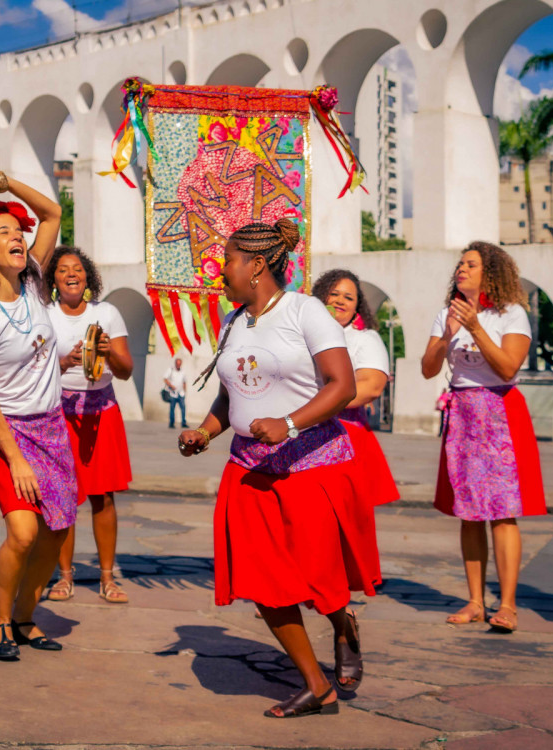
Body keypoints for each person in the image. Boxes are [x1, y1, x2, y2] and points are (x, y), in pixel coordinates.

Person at [178, 219, 380, 718]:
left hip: (309, 465)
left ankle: (342, 623)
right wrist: (205, 431)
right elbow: (233, 394)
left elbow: (342, 385)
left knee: (316, 577)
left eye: (228, 260)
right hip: (248, 471)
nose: (220, 269)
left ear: (257, 265)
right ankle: (317, 685)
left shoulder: (305, 311)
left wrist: (288, 423)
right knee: (264, 582)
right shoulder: (233, 321)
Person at [0, 171, 75, 661]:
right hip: (11, 434)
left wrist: (6, 184)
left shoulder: (33, 285)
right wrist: (17, 460)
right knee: (24, 532)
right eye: (4, 232)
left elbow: (53, 213)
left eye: (18, 232)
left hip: (53, 425)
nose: (18, 237)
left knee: (56, 531)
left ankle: (27, 617)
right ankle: (0, 621)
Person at [421, 241, 547, 633]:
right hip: (462, 415)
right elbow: (428, 369)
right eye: (460, 263)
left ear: (489, 272)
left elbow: (508, 367)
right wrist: (447, 334)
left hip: (499, 413)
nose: (461, 269)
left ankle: (507, 605)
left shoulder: (511, 314)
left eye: (471, 264)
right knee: (468, 513)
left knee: (503, 512)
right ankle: (475, 601)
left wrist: (475, 327)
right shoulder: (447, 313)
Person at [44, 246, 134, 604]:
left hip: (102, 411)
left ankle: (107, 578)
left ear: (87, 276)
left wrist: (108, 350)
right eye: (63, 269)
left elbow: (126, 372)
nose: (71, 274)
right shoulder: (45, 315)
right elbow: (36, 370)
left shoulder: (107, 313)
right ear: (53, 279)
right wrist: (66, 361)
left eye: (78, 269)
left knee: (103, 497)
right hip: (61, 413)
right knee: (65, 497)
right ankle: (64, 577)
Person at [313, 269, 399, 507]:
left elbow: (371, 387)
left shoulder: (364, 339)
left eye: (349, 297)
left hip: (344, 435)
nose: (340, 300)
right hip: (300, 429)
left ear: (357, 307)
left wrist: (315, 406)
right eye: (334, 294)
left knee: (344, 513)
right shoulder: (300, 334)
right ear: (321, 297)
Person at [164, 357, 188, 429]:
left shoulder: (183, 372)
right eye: (177, 364)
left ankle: (183, 422)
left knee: (183, 408)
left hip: (181, 393)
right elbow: (165, 379)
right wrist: (171, 386)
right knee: (172, 409)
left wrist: (184, 391)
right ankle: (171, 423)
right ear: (175, 363)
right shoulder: (171, 370)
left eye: (179, 364)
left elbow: (184, 382)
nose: (178, 365)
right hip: (172, 393)